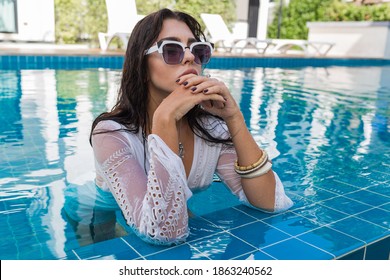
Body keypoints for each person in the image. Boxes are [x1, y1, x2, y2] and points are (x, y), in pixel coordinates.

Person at [89, 8, 293, 246]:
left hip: (168, 209)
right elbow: (163, 234)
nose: (189, 58)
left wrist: (235, 120)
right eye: (172, 50)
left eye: (198, 50)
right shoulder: (111, 133)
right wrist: (165, 119)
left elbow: (271, 203)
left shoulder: (211, 129)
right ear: (142, 67)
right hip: (105, 212)